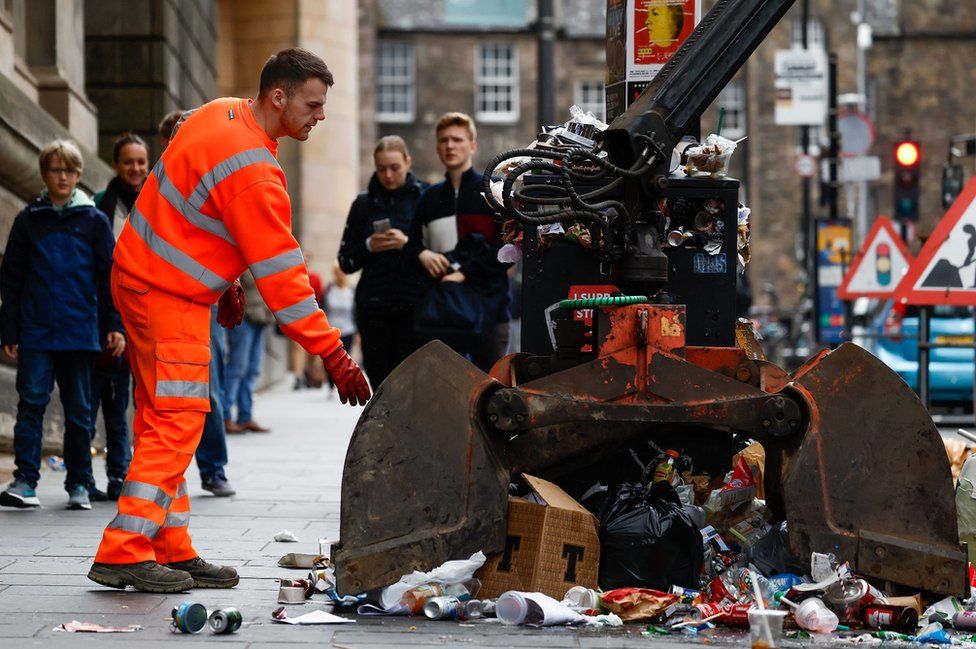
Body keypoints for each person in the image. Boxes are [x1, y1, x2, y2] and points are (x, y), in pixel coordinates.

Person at [88, 48, 369, 594]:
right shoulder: (256, 172)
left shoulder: (216, 113)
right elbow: (286, 279)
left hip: (144, 276)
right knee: (178, 419)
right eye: (313, 104)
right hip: (168, 294)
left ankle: (168, 548)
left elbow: (194, 206)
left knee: (160, 418)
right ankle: (124, 551)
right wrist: (333, 353)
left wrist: (227, 280)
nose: (321, 115)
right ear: (278, 97)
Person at [0, 140, 125, 511]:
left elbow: (108, 279)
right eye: (56, 170)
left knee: (79, 411)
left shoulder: (93, 221)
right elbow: (12, 279)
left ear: (79, 175)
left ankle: (80, 482)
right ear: (44, 174)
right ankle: (25, 480)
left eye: (70, 170)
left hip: (79, 331)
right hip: (36, 331)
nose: (63, 177)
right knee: (31, 404)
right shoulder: (28, 220)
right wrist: (10, 331)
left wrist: (114, 324)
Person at [159, 109, 236, 497]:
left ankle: (213, 467)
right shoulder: (158, 186)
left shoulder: (211, 184)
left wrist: (231, 286)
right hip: (162, 297)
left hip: (202, 299)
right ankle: (170, 469)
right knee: (162, 391)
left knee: (210, 387)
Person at [406, 112, 511, 371]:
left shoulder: (492, 193)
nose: (450, 146)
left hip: (489, 311)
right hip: (441, 314)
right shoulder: (428, 198)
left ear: (472, 145)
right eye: (443, 140)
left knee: (490, 390)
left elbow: (508, 249)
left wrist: (465, 273)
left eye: (457, 139)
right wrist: (421, 254)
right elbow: (411, 246)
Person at [88, 133, 149, 502]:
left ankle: (129, 472)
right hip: (107, 309)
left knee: (137, 397)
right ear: (116, 164)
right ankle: (107, 472)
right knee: (108, 394)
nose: (136, 168)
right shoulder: (100, 206)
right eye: (128, 161)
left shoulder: (158, 200)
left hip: (147, 307)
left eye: (141, 162)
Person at [338, 135, 426, 386]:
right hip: (373, 307)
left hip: (415, 306)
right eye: (381, 168)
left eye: (395, 168)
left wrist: (406, 244)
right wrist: (368, 245)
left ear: (408, 162)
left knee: (413, 384)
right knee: (380, 382)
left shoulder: (425, 196)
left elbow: (440, 252)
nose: (388, 175)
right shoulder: (363, 204)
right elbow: (345, 261)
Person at [223, 271, 273, 432]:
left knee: (253, 369)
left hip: (261, 316)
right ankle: (225, 416)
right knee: (237, 367)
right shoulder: (243, 250)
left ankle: (245, 415)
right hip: (243, 314)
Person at [322, 262, 357, 395]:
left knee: (344, 360)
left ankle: (341, 385)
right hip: (331, 330)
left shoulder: (351, 291)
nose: (341, 275)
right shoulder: (329, 289)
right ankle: (331, 383)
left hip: (348, 330)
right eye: (338, 272)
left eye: (343, 272)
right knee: (330, 360)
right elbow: (323, 308)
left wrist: (358, 333)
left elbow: (355, 311)